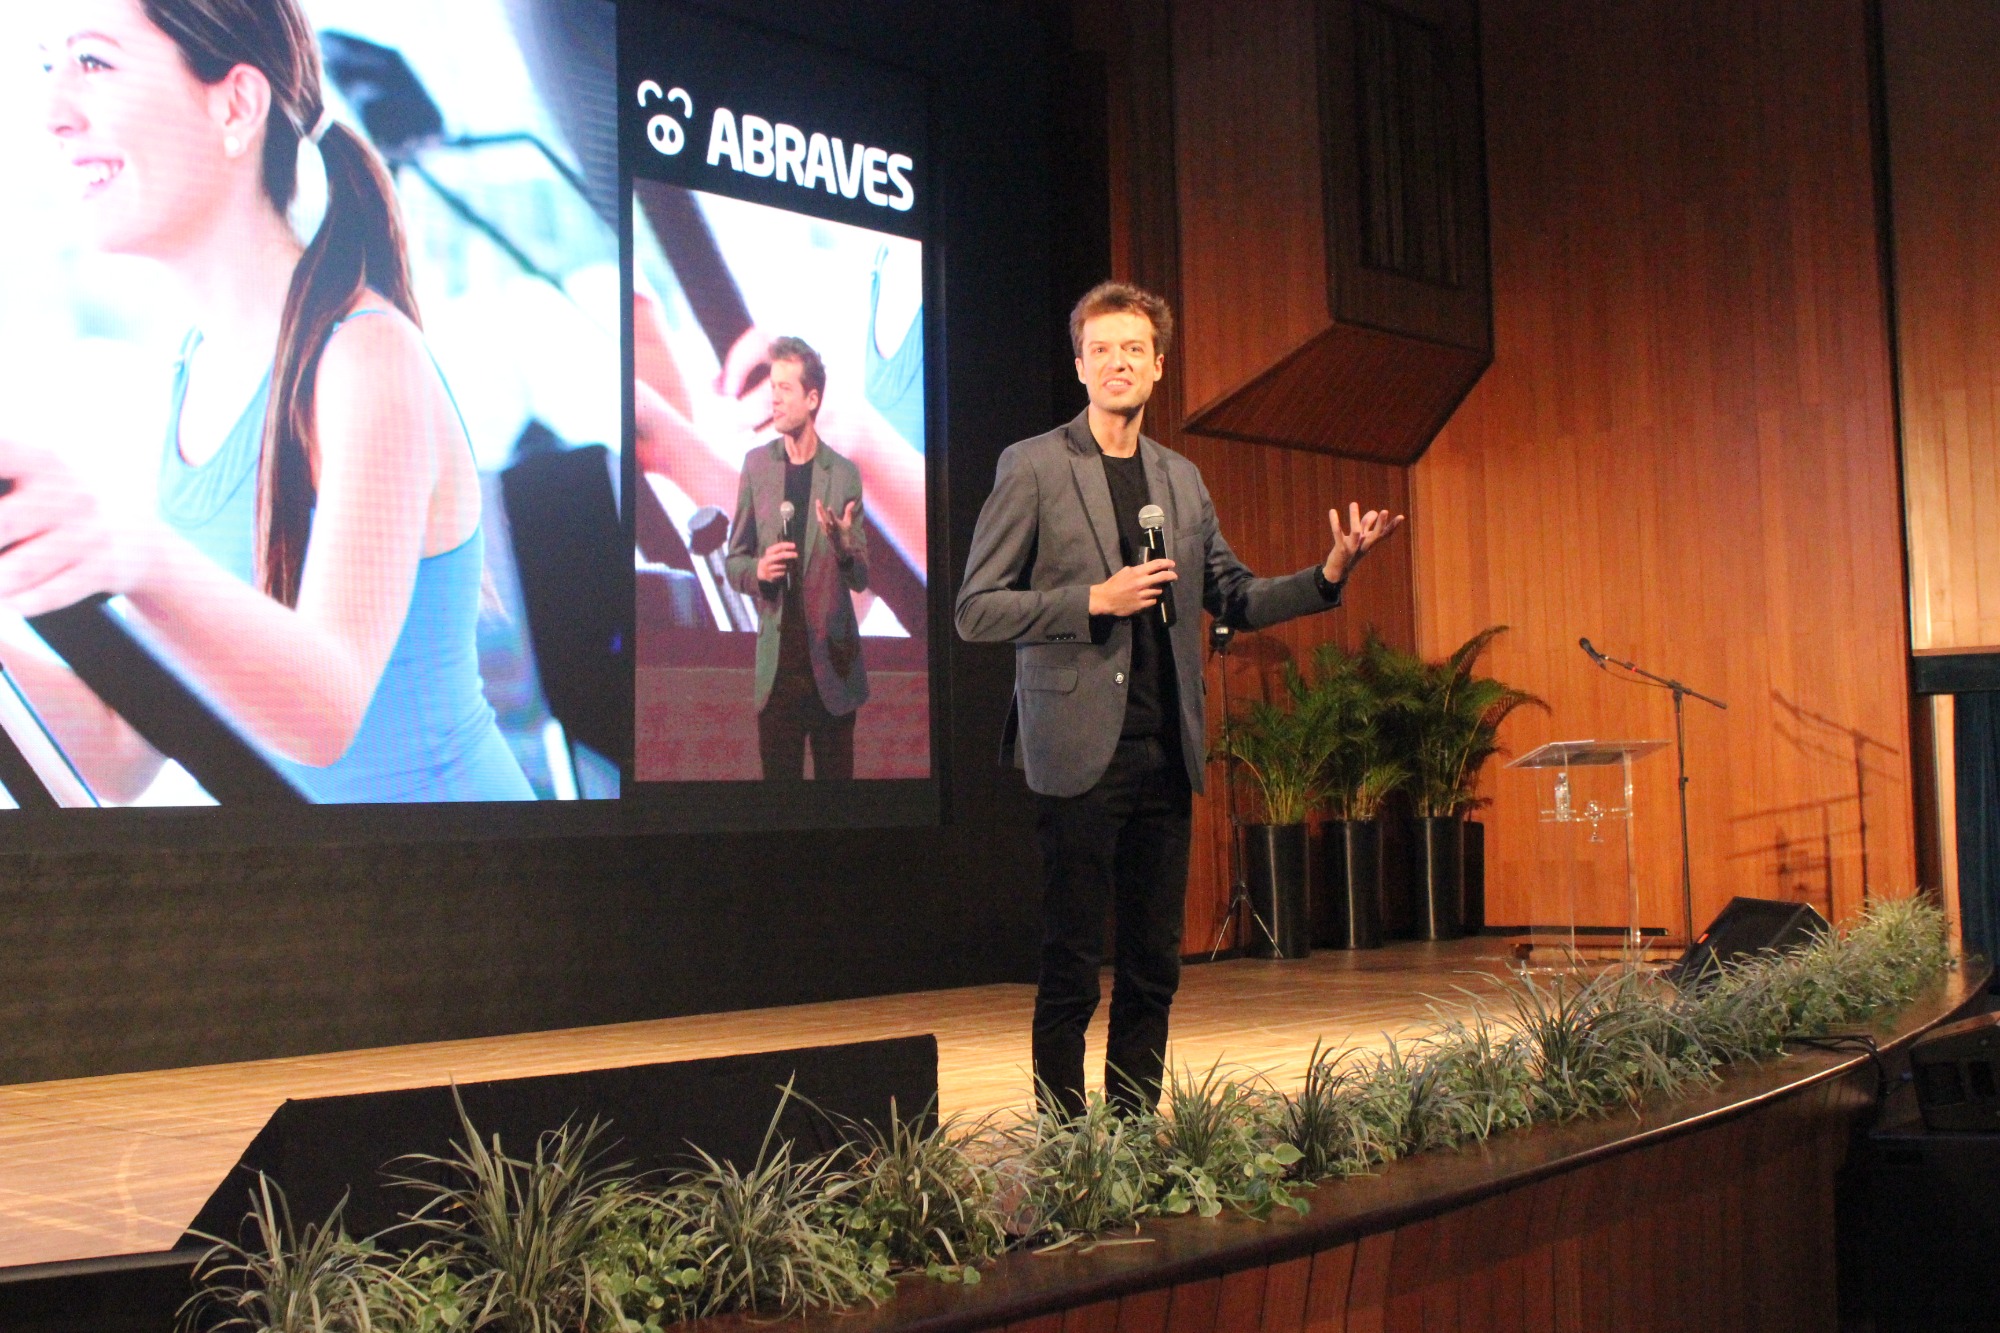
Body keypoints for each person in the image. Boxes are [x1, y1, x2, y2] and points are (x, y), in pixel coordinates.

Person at [0, 0, 533, 803]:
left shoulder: (367, 355)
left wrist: (133, 552)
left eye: (95, 62)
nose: (51, 114)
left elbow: (326, 713)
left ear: (236, 104)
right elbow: (119, 753)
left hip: (468, 898)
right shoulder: (188, 378)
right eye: (50, 66)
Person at [954, 281, 1404, 1115]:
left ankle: (1129, 1133)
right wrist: (1094, 598)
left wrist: (1330, 571)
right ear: (1080, 364)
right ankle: (1067, 1143)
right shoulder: (1035, 465)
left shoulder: (1181, 479)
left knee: (1155, 962)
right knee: (1070, 962)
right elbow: (976, 608)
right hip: (1078, 751)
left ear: (1158, 367)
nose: (1117, 363)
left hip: (1166, 751)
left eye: (1134, 349)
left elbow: (1232, 593)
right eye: (1101, 349)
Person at [724, 337, 870, 780]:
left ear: (812, 399)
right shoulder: (756, 467)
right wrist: (759, 572)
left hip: (833, 672)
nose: (774, 397)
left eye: (785, 388)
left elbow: (861, 578)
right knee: (779, 807)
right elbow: (734, 561)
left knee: (836, 806)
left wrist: (846, 548)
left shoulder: (842, 474)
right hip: (778, 678)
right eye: (773, 386)